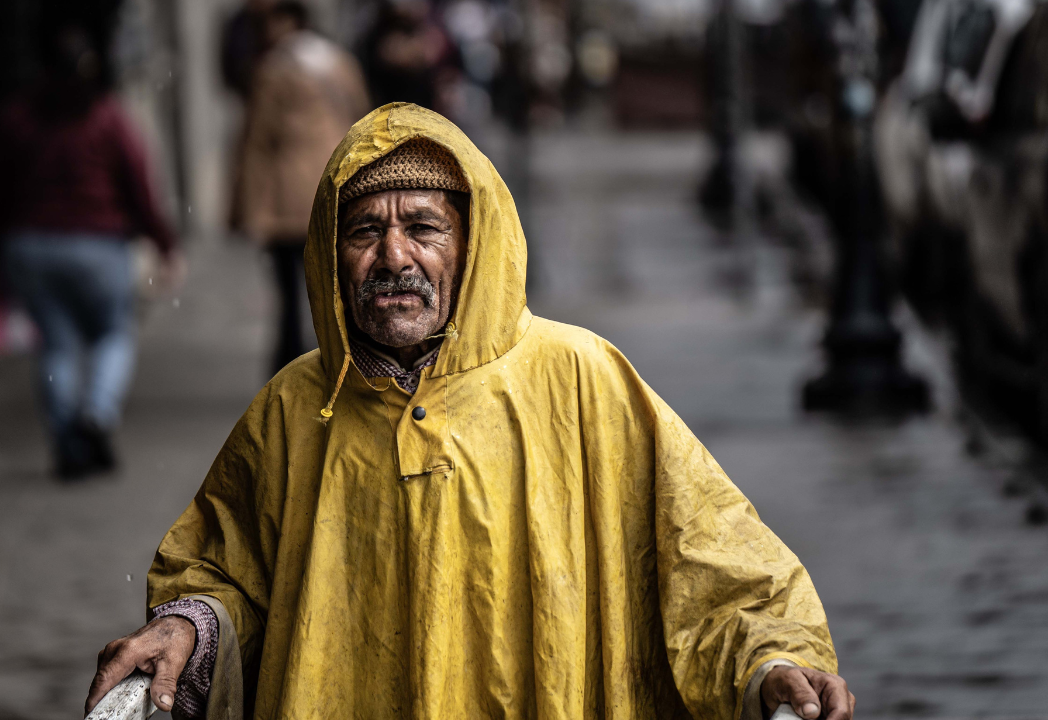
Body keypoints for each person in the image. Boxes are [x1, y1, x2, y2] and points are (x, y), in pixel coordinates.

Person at [86, 104, 855, 720]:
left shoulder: (586, 380)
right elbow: (225, 570)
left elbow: (717, 567)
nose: (393, 258)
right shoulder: (294, 406)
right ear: (331, 252)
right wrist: (189, 625)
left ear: (471, 243)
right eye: (365, 232)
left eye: (422, 227)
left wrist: (774, 664)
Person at [0, 18, 184, 480]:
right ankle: (96, 416)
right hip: (97, 244)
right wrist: (163, 241)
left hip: (31, 244)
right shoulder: (108, 116)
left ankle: (65, 437)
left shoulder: (18, 116)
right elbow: (138, 184)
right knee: (113, 333)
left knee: (56, 343)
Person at [236, 1, 370, 373]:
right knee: (336, 282)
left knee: (291, 291)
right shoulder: (340, 64)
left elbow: (258, 140)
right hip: (336, 185)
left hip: (288, 194)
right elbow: (362, 115)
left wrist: (248, 207)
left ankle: (293, 366)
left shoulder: (274, 70)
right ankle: (343, 356)